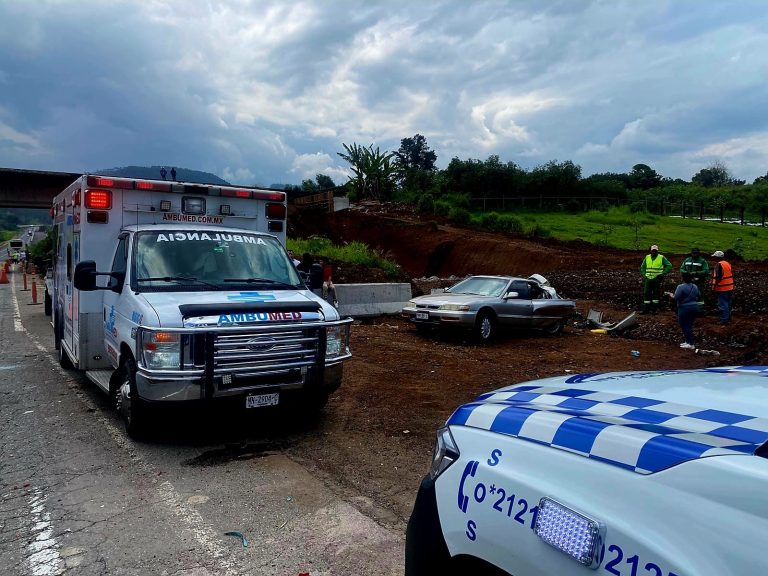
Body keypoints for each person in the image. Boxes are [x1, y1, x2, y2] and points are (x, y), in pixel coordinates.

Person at [667, 272, 699, 349]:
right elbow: (699, 295)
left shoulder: (680, 287)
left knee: (684, 324)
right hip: (695, 307)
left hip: (684, 308)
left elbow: (676, 297)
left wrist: (670, 295)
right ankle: (688, 341)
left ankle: (690, 344)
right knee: (689, 325)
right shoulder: (695, 286)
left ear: (683, 278)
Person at [639, 244, 672, 314]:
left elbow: (669, 266)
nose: (654, 252)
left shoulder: (661, 257)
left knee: (656, 293)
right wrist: (644, 275)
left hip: (657, 278)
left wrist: (662, 274)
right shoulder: (647, 257)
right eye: (653, 251)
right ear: (650, 251)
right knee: (646, 293)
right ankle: (646, 309)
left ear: (657, 251)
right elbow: (642, 267)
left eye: (655, 251)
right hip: (648, 278)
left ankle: (654, 309)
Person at [711, 250, 734, 325]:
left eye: (715, 257)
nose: (714, 258)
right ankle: (728, 317)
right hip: (730, 287)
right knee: (728, 303)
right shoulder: (727, 263)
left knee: (723, 304)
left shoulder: (719, 265)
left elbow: (718, 277)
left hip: (722, 288)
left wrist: (714, 287)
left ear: (717, 257)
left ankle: (724, 320)